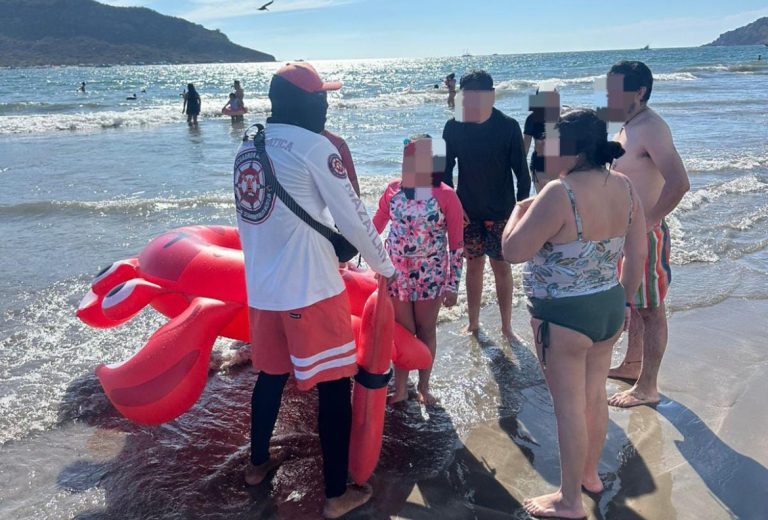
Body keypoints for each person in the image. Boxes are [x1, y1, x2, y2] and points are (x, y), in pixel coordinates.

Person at [233, 62, 396, 519]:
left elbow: (257, 219)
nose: (326, 106)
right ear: (305, 102)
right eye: (321, 97)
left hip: (262, 291)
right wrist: (386, 268)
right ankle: (336, 495)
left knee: (269, 377)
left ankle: (257, 465)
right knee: (334, 388)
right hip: (311, 291)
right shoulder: (315, 147)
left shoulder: (247, 147)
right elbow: (354, 217)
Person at [502, 108, 647, 519]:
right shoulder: (625, 186)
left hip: (563, 315)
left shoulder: (558, 193)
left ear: (573, 150)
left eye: (552, 142)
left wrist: (518, 211)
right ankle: (590, 476)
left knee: (568, 408)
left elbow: (512, 251)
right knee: (594, 396)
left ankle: (569, 501)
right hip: (608, 306)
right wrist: (625, 301)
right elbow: (637, 252)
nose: (546, 149)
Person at [603, 61, 690, 408]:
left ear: (639, 91)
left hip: (645, 234)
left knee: (651, 309)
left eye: (615, 89)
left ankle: (648, 386)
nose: (608, 96)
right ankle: (632, 364)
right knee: (637, 304)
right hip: (625, 233)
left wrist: (649, 222)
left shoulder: (652, 127)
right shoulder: (628, 126)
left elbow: (679, 182)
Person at [372, 135, 464, 406]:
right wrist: (353, 254)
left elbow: (457, 245)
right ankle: (402, 388)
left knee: (425, 330)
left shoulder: (445, 195)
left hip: (430, 277)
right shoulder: (393, 191)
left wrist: (453, 285)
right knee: (403, 332)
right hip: (396, 276)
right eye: (406, 161)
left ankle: (424, 387)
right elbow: (373, 229)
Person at [442, 70, 530, 340]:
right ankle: (473, 323)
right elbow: (444, 172)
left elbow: (522, 174)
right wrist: (454, 208)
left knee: (501, 267)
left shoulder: (508, 126)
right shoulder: (453, 127)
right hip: (467, 211)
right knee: (473, 266)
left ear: (491, 95)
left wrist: (519, 213)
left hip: (502, 211)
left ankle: (506, 327)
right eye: (467, 97)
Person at [524, 87, 560, 191]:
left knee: (544, 197)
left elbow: (524, 149)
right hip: (546, 165)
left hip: (549, 165)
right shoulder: (562, 117)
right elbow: (524, 150)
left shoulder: (532, 118)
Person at [321, 130, 360, 196]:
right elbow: (352, 178)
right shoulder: (338, 142)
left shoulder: (338, 143)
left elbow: (352, 178)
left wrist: (356, 200)